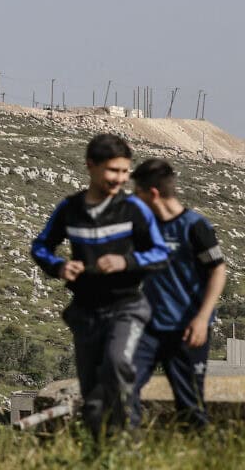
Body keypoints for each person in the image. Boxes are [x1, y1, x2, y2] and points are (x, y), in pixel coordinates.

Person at [31, 133, 169, 439]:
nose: (119, 178)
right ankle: (99, 451)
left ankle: (128, 443)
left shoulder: (134, 209)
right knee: (92, 391)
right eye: (112, 170)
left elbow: (160, 252)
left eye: (124, 172)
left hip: (127, 307)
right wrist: (60, 266)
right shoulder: (70, 209)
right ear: (90, 166)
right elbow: (40, 247)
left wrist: (126, 262)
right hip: (86, 312)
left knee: (118, 363)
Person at [129, 158, 226, 428]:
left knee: (190, 407)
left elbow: (218, 271)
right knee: (124, 386)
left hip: (187, 331)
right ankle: (125, 451)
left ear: (153, 194)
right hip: (149, 328)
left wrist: (202, 319)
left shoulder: (195, 226)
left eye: (138, 194)